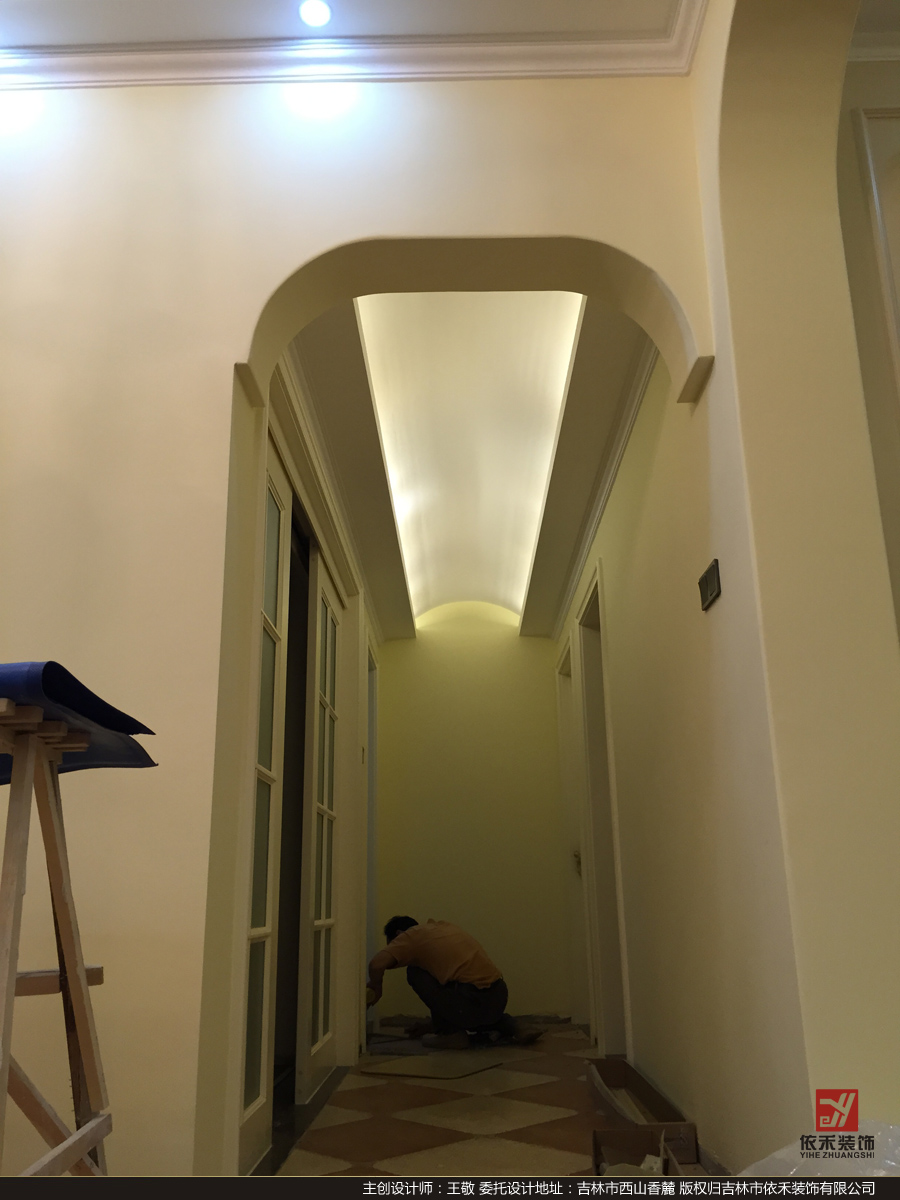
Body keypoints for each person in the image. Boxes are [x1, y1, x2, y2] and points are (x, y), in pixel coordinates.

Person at [366, 915, 540, 1049]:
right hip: (497, 996)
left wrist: (376, 987)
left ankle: (451, 1035)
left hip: (471, 1001)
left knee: (415, 972)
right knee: (471, 1006)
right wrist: (430, 1026)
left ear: (398, 935)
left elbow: (376, 964)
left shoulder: (410, 937)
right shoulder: (441, 928)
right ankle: (514, 1026)